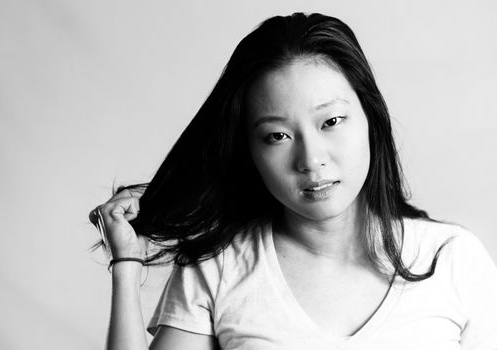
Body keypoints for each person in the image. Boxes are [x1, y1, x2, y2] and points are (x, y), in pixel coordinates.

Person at [89, 12, 497, 350]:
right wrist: (126, 264)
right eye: (277, 136)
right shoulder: (218, 267)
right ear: (249, 149)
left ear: (371, 118)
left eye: (331, 121)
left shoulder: (453, 259)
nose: (311, 159)